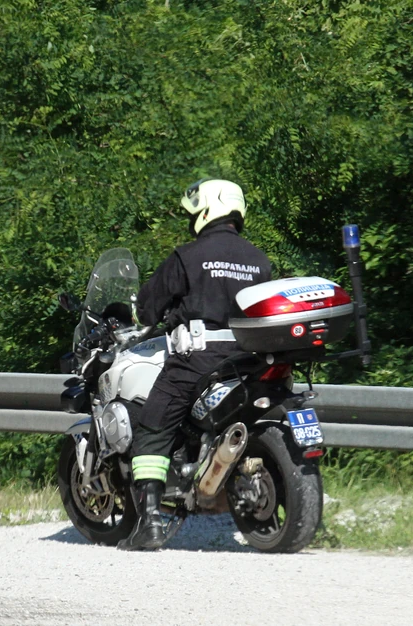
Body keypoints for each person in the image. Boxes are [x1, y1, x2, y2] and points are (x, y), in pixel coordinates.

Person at [118, 179, 272, 551]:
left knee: (153, 424)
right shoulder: (259, 260)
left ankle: (150, 522)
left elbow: (148, 309)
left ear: (206, 210)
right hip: (249, 361)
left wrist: (147, 314)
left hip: (198, 362)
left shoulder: (188, 256)